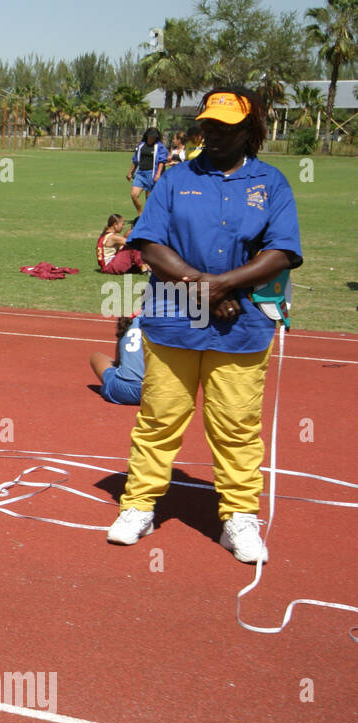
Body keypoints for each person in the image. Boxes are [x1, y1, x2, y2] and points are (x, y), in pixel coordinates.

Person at [106, 88, 302, 564]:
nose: (213, 134)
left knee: (236, 425)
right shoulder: (175, 180)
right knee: (159, 418)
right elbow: (149, 244)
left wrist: (222, 286)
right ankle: (139, 506)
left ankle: (239, 517)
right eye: (208, 125)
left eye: (226, 127)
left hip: (242, 322)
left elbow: (281, 252)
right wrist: (205, 288)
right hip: (175, 316)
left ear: (249, 130)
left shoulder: (271, 183)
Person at [89, 314, 145, 406]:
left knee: (96, 356)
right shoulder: (167, 324)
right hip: (156, 392)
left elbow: (117, 361)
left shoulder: (130, 320)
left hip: (121, 391)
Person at [126, 127, 168, 214]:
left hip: (152, 174)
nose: (153, 138)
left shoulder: (159, 147)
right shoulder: (141, 145)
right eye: (151, 136)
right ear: (147, 136)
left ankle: (152, 216)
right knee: (134, 195)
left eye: (154, 137)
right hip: (140, 173)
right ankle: (141, 214)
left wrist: (158, 174)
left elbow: (162, 161)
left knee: (149, 198)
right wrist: (130, 172)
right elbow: (135, 160)